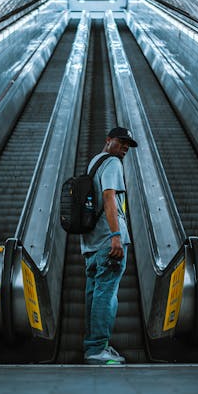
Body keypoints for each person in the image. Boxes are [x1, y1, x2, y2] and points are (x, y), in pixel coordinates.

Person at [80, 126, 138, 364]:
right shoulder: (112, 163)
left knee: (94, 295)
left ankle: (93, 346)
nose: (124, 147)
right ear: (108, 140)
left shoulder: (94, 162)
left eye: (127, 145)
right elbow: (108, 198)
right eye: (121, 142)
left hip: (92, 244)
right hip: (108, 241)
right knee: (106, 295)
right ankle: (97, 349)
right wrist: (116, 235)